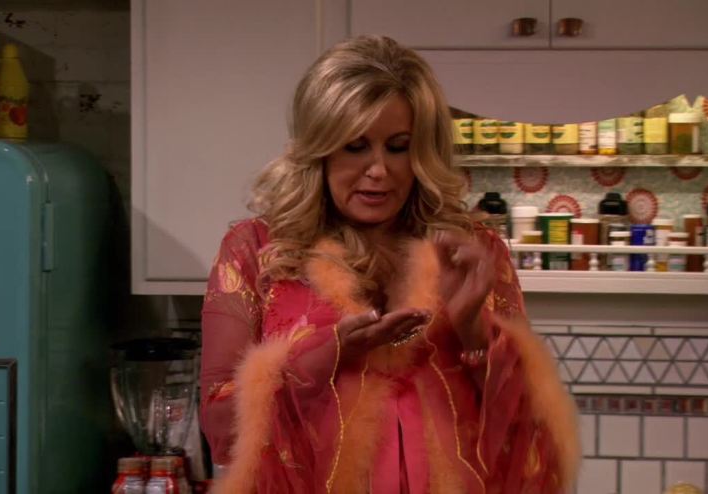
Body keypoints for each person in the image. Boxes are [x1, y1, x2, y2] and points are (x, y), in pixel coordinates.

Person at [200, 35, 579, 494]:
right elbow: (221, 428)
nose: (379, 170)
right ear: (319, 149)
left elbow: (529, 437)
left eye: (399, 147)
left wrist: (473, 333)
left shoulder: (470, 251)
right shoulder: (255, 250)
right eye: (355, 146)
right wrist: (327, 355)